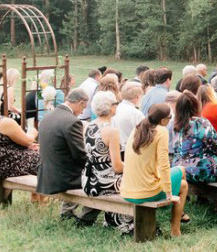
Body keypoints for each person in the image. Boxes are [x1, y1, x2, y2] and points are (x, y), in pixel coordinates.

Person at [121, 103, 189, 237]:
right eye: (170, 117)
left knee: (180, 179)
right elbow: (164, 164)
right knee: (183, 181)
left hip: (128, 189)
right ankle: (176, 227)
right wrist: (169, 194)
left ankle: (179, 216)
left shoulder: (139, 127)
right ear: (163, 120)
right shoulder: (161, 131)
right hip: (145, 191)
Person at [36, 88, 100, 224]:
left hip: (46, 173)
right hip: (63, 177)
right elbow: (80, 155)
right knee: (102, 181)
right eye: (83, 107)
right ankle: (86, 219)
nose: (82, 112)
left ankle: (67, 212)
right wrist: (97, 167)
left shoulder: (48, 116)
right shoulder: (72, 122)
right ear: (80, 102)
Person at [82, 91, 133, 234]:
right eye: (116, 103)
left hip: (89, 179)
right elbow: (117, 167)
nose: (117, 106)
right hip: (103, 182)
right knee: (135, 179)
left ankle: (112, 219)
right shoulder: (111, 131)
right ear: (110, 107)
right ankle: (124, 221)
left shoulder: (88, 126)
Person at [0, 89, 40, 184]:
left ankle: (39, 196)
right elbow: (27, 140)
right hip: (8, 164)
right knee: (46, 157)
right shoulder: (4, 122)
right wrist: (33, 133)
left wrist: (27, 146)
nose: (1, 101)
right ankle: (44, 195)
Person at [172, 91, 217, 183]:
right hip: (199, 170)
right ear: (195, 106)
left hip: (179, 170)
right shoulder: (200, 123)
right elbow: (216, 146)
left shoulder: (176, 125)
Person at [113, 82, 145, 152]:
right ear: (137, 97)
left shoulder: (117, 108)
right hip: (131, 150)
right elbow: (145, 134)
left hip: (118, 148)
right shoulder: (136, 113)